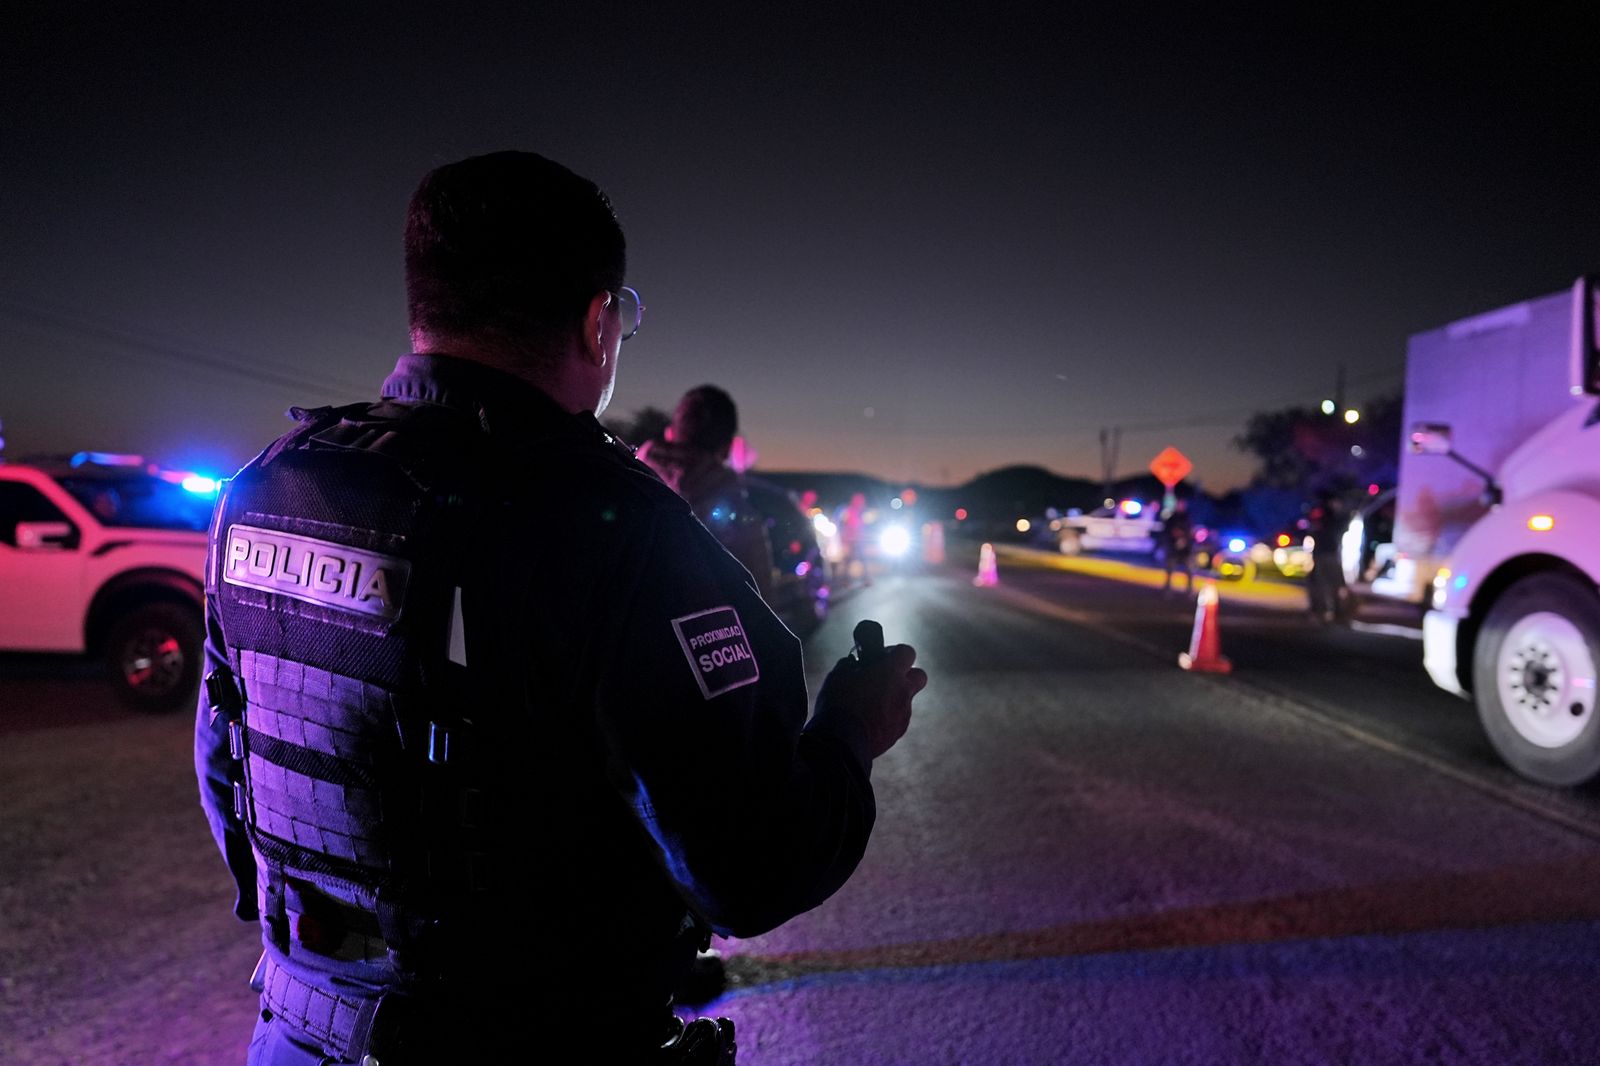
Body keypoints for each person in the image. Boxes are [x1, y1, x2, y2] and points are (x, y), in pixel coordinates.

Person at [194, 150, 928, 1065]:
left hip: (301, 1032)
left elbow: (232, 778)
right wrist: (851, 732)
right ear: (598, 325)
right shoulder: (615, 530)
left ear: (427, 306)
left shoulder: (265, 488)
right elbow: (747, 862)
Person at [638, 386, 774, 601]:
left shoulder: (623, 483)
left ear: (670, 433)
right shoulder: (742, 522)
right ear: (728, 448)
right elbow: (761, 611)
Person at [1307, 494, 1349, 623]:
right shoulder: (1328, 518)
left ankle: (1329, 612)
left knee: (1326, 585)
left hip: (1325, 554)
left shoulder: (1325, 518)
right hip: (1326, 554)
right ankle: (1327, 612)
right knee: (1325, 584)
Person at [1159, 498, 1194, 597]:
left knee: (1189, 570)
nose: (1180, 506)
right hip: (1173, 548)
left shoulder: (1188, 518)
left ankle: (1189, 591)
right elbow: (1167, 530)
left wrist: (1185, 537)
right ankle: (1167, 590)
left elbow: (1191, 532)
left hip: (1186, 549)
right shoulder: (1172, 518)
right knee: (1170, 570)